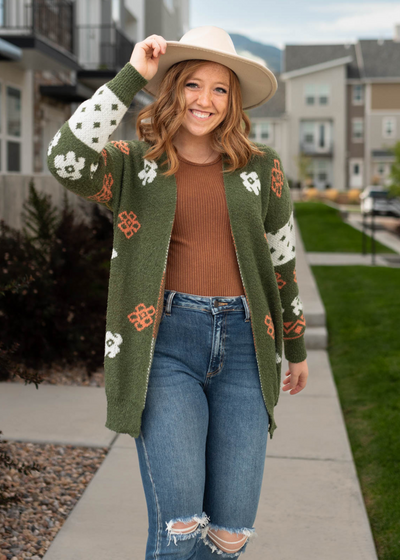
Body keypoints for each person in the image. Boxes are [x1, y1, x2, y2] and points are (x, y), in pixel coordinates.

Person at [47, 25, 309, 559]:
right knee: (180, 527)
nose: (205, 100)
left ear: (232, 101)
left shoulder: (261, 169)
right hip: (164, 346)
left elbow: (282, 259)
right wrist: (131, 76)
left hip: (244, 348)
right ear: (173, 90)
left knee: (230, 533)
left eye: (220, 89)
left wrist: (295, 345)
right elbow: (66, 158)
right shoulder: (132, 163)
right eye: (193, 84)